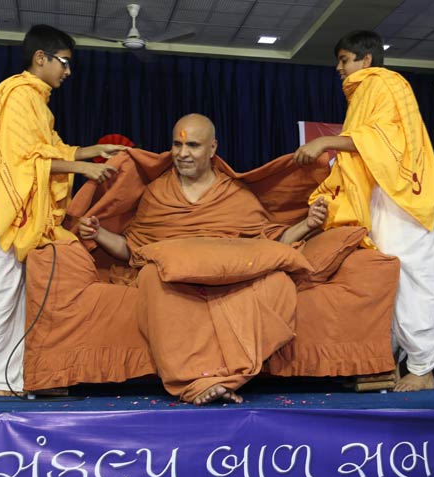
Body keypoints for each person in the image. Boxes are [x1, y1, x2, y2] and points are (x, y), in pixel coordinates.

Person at [80, 113, 328, 405]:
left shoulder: (233, 193)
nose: (182, 154)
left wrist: (308, 224)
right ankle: (195, 381)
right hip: (175, 281)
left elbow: (270, 242)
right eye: (177, 145)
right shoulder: (158, 193)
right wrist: (98, 234)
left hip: (230, 281)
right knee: (150, 277)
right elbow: (134, 249)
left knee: (278, 283)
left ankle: (222, 379)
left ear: (212, 149)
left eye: (193, 146)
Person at [0, 24, 126, 397]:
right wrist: (82, 168)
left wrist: (93, 151)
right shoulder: (18, 95)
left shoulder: (36, 100)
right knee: (0, 286)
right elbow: (20, 160)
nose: (68, 71)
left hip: (11, 199)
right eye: (64, 62)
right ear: (41, 58)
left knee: (18, 288)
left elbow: (51, 151)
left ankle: (13, 375)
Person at [293, 30, 434, 392]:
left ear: (366, 59)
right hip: (382, 189)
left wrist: (325, 141)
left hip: (403, 190)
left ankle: (422, 367)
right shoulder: (363, 92)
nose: (339, 68)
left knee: (410, 273)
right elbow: (366, 152)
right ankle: (385, 363)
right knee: (383, 275)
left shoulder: (383, 82)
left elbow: (384, 140)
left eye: (344, 60)